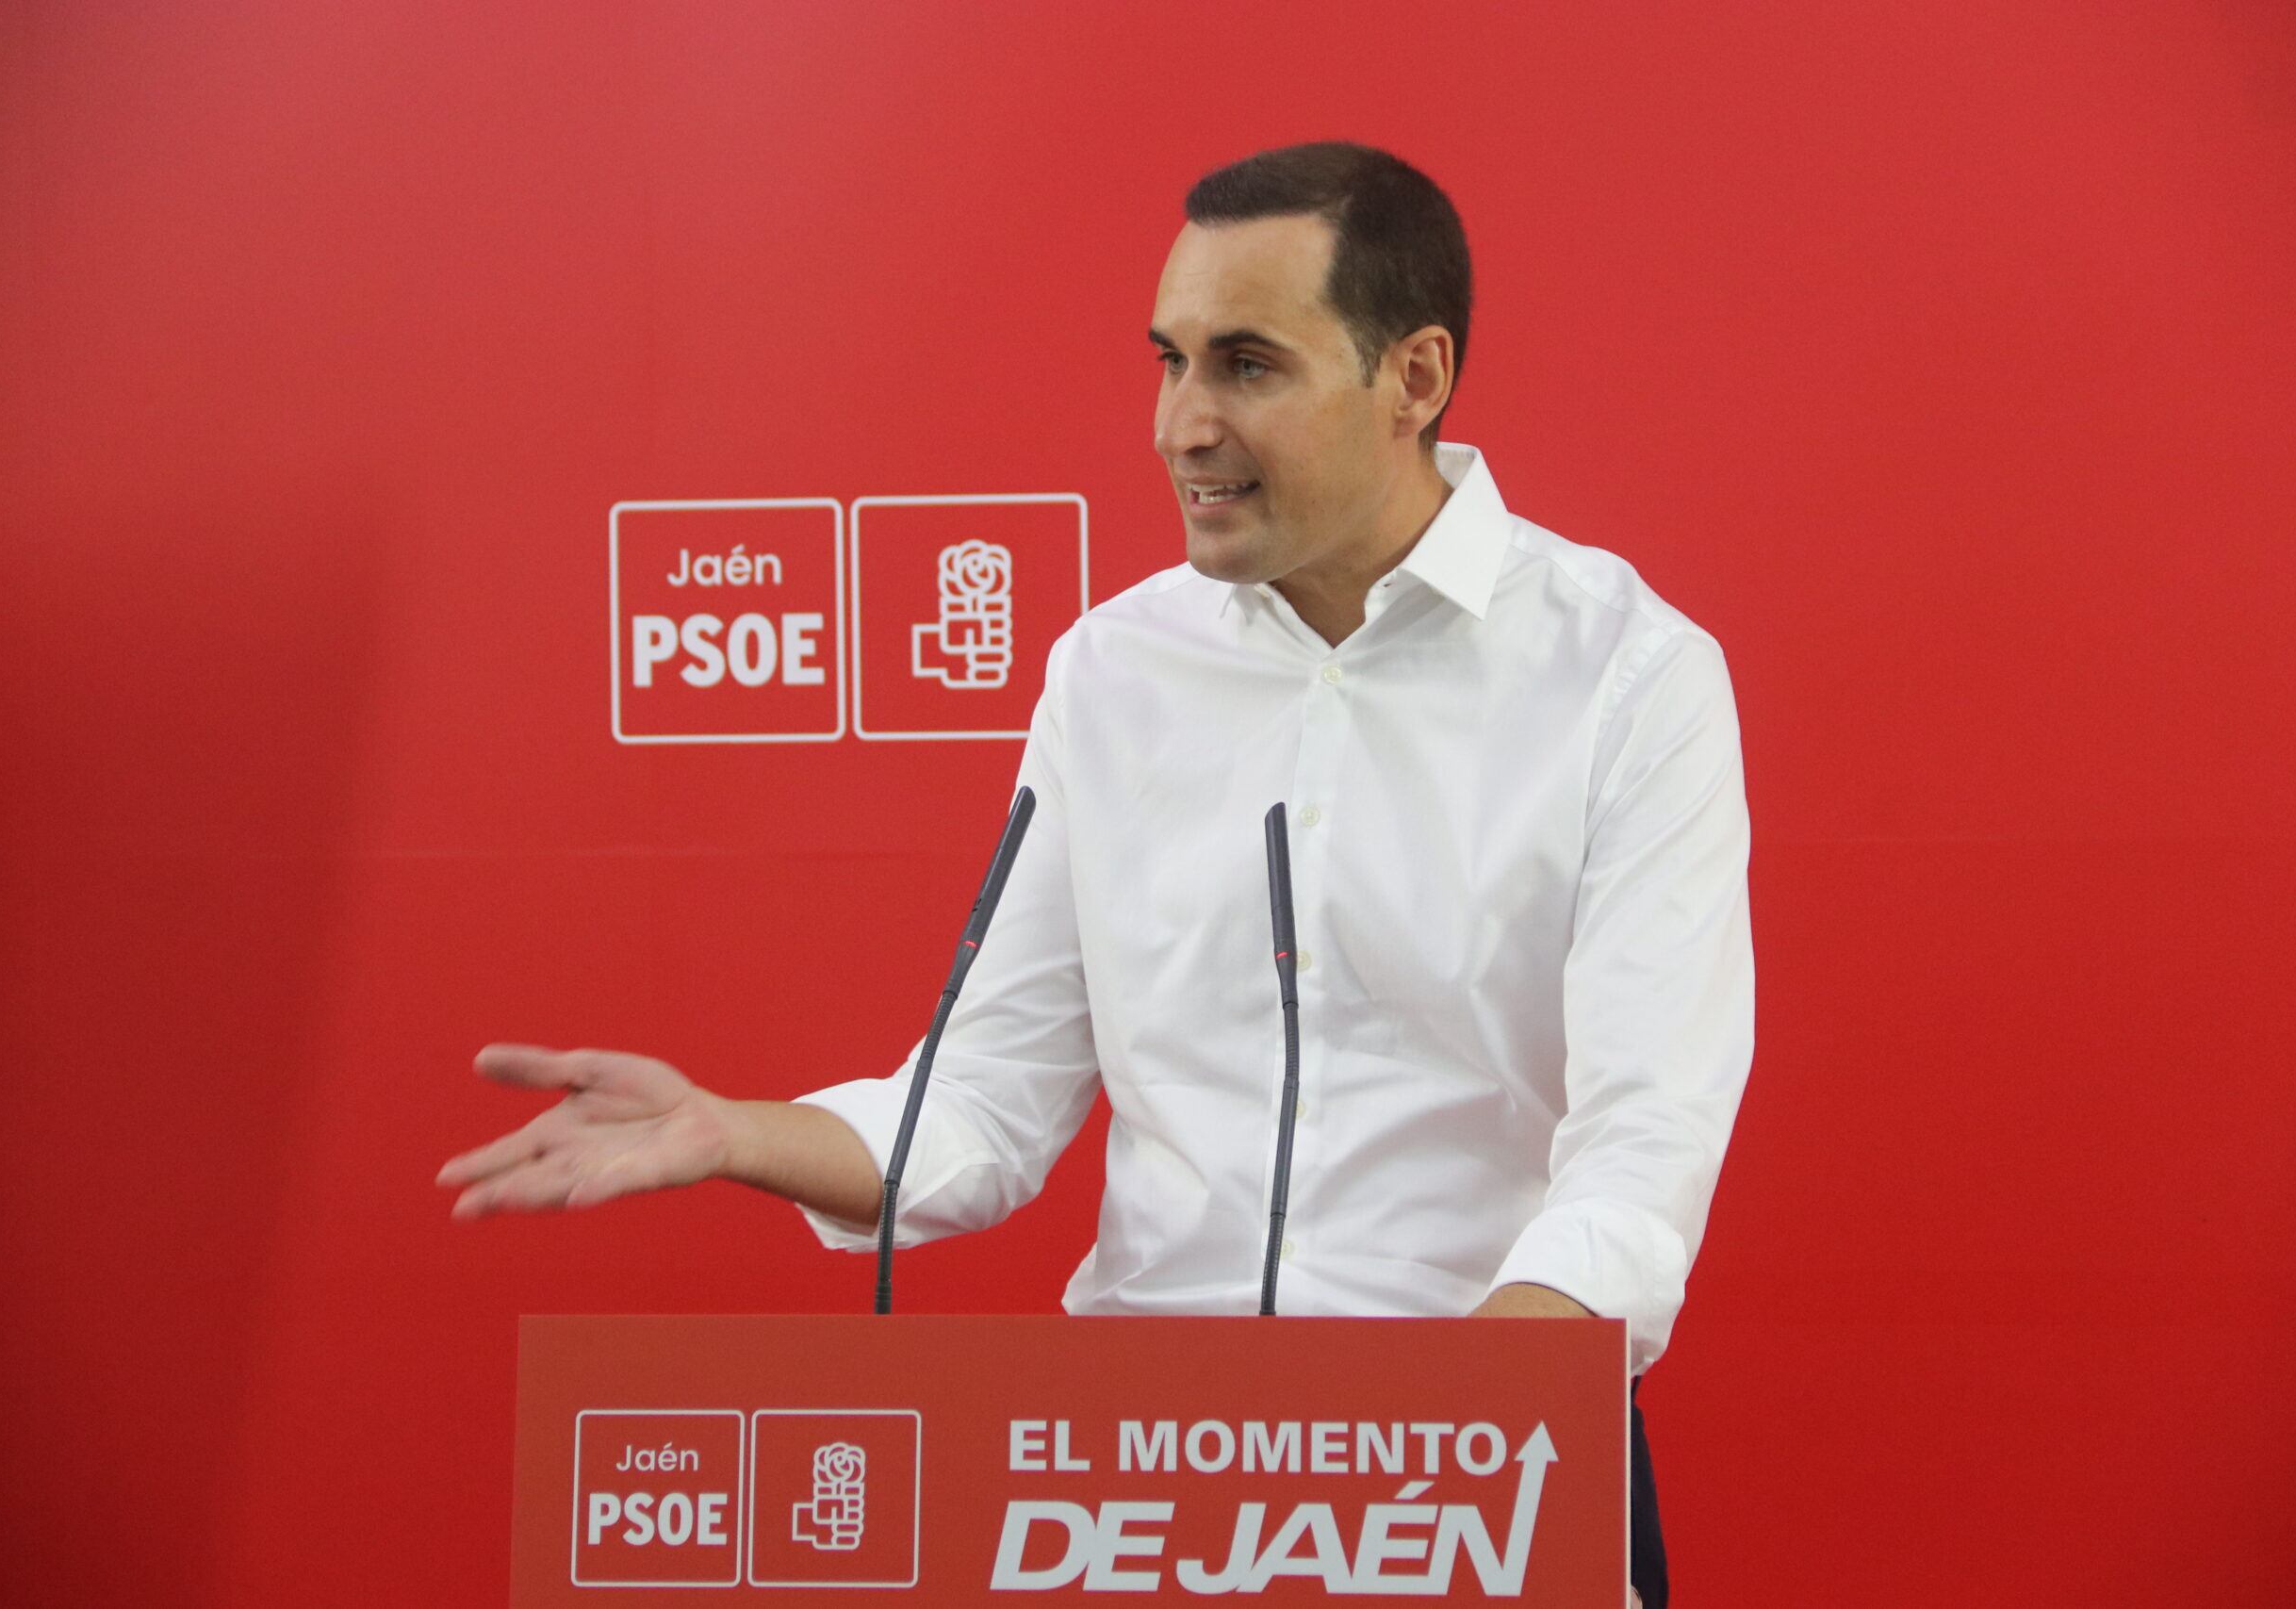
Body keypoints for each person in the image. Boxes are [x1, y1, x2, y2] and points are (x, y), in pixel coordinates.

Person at [438, 142, 1751, 1608]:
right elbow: (985, 1106)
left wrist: (1435, 1439)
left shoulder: (1630, 678)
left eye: (1246, 365)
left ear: (1416, 376)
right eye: (1170, 360)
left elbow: (1642, 1151)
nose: (1182, 424)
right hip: (1137, 1495)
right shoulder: (1110, 674)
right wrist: (731, 1131)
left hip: (1491, 1486)